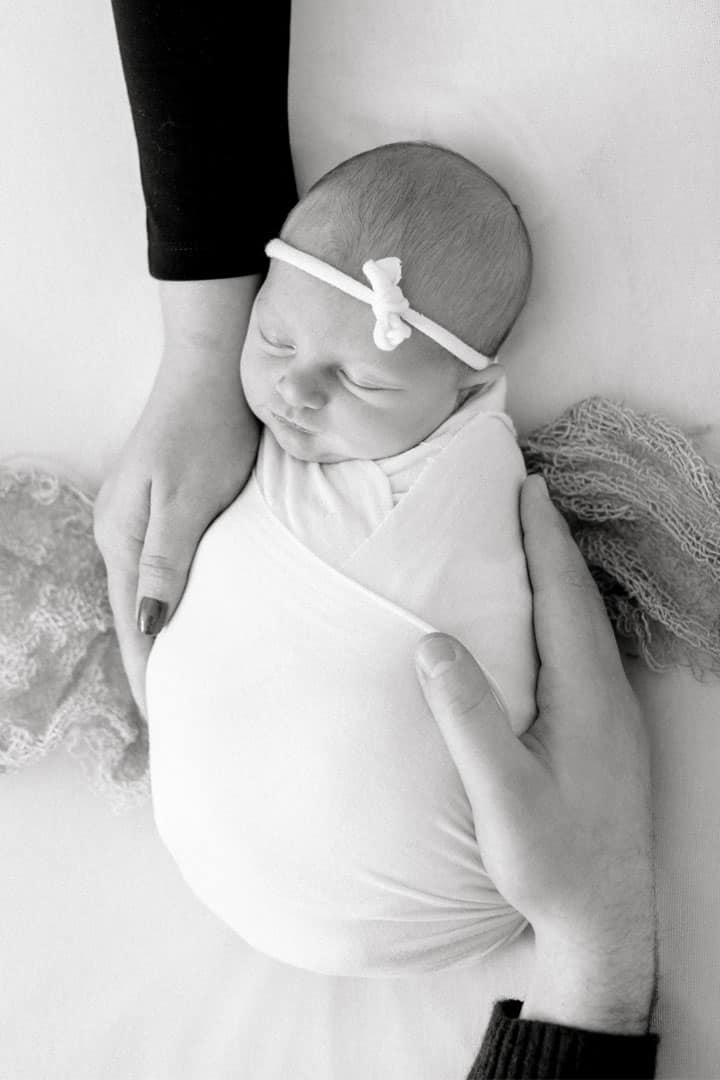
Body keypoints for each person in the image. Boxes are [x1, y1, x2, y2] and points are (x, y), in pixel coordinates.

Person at [102, 1, 660, 1073]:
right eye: (273, 339)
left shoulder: (467, 474)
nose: (295, 395)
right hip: (224, 838)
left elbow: (517, 611)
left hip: (449, 885)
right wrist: (207, 352)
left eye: (359, 379)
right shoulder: (266, 426)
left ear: (470, 388)